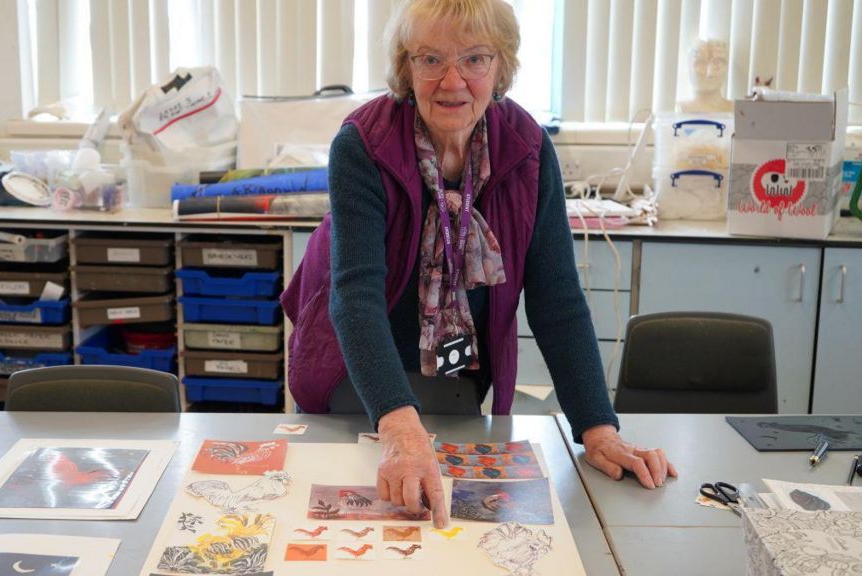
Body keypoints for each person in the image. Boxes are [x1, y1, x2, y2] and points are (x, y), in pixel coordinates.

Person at [280, 0, 677, 529]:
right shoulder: (362, 145)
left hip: (455, 373)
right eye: (430, 60)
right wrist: (399, 428)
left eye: (474, 59)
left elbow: (557, 299)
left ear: (501, 65)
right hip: (354, 373)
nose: (452, 81)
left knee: (451, 533)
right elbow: (356, 298)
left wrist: (598, 428)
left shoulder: (528, 148)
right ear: (405, 66)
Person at [676, 38, 734, 114]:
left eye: (718, 63)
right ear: (688, 67)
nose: (710, 73)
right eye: (701, 64)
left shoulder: (737, 110)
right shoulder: (680, 108)